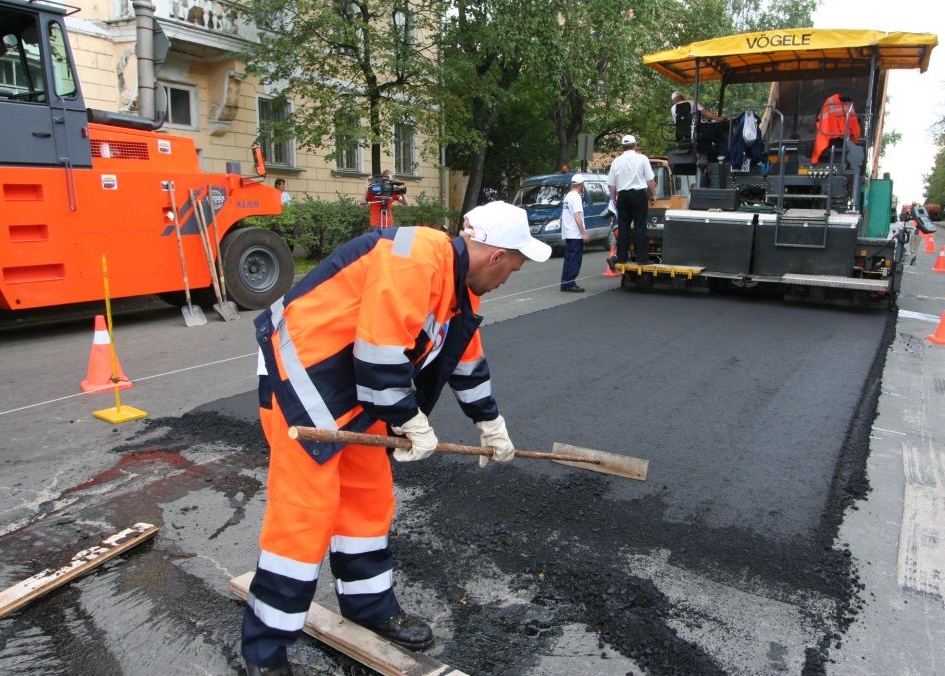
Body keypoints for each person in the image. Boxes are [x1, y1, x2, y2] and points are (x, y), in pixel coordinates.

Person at [240, 202, 551, 676]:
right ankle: (264, 653)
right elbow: (379, 350)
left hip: (357, 392)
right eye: (515, 264)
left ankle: (368, 607)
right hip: (302, 381)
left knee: (368, 501)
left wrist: (490, 422)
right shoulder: (418, 257)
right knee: (305, 517)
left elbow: (465, 361)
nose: (512, 274)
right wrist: (410, 421)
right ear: (495, 255)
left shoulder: (461, 288)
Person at [606, 134, 656, 269]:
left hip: (622, 196)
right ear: (635, 145)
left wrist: (613, 199)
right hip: (639, 195)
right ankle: (642, 259)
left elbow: (611, 185)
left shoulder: (617, 161)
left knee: (623, 228)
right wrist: (653, 195)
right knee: (640, 227)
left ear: (622, 147)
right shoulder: (642, 158)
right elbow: (650, 180)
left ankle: (621, 258)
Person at [559, 174, 590, 292]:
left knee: (568, 259)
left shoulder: (567, 196)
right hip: (575, 233)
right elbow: (577, 217)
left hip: (568, 232)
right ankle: (571, 283)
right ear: (580, 184)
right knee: (575, 259)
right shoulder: (576, 197)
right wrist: (584, 233)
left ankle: (565, 282)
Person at [811, 93, 861, 164]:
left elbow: (820, 121)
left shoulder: (829, 102)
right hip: (841, 141)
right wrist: (856, 139)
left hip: (827, 138)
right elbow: (854, 124)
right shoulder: (849, 106)